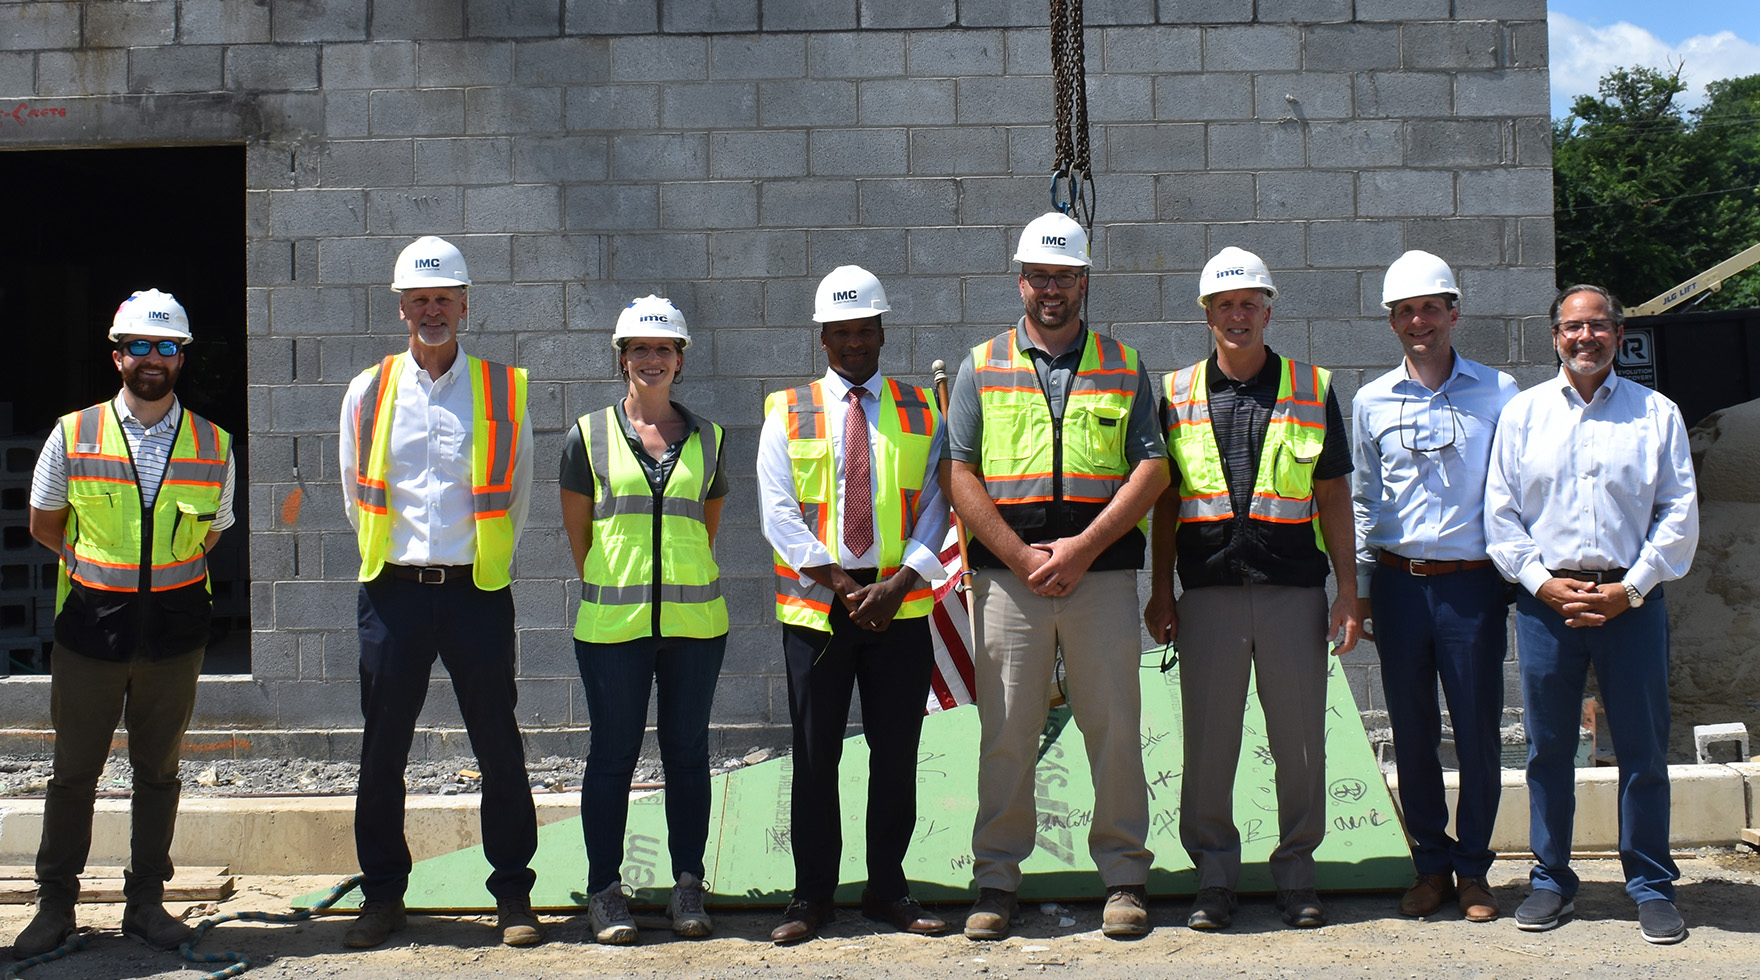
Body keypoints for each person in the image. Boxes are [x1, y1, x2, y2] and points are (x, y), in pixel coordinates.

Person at [946, 213, 1169, 940]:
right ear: (1021, 281)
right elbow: (959, 474)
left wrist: (1081, 550)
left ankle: (1125, 877)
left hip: (1099, 581)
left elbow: (1152, 469)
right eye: (1040, 276)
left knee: (1115, 729)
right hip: (1010, 584)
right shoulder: (982, 365)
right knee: (1007, 734)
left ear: (1084, 281)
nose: (1052, 289)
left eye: (1064, 277)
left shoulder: (1123, 364)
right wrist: (1020, 556)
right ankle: (996, 880)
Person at [14, 290, 235, 958]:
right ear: (118, 356)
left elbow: (212, 533)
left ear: (181, 358)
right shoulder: (73, 434)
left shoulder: (213, 444)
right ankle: (56, 907)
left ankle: (145, 905)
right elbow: (45, 524)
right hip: (91, 630)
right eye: (139, 345)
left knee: (158, 774)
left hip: (174, 636)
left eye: (166, 347)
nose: (152, 358)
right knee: (73, 775)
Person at [1146, 246, 1361, 931]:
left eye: (1248, 304)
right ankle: (1214, 879)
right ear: (1206, 315)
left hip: (1292, 592)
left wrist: (1348, 593)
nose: (1237, 315)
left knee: (1299, 743)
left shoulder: (1311, 386)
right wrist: (1160, 592)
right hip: (1207, 595)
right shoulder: (1176, 393)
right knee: (1209, 745)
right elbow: (1164, 503)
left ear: (1268, 311)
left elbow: (1333, 495)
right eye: (1224, 305)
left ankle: (1297, 875)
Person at [337, 236, 541, 948]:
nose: (432, 311)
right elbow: (354, 492)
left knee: (498, 746)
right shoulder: (367, 390)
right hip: (391, 592)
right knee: (381, 751)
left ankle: (513, 895)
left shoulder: (503, 389)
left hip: (474, 591)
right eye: (420, 299)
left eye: (444, 299)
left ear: (464, 306)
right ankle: (382, 896)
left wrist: (476, 562)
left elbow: (518, 495)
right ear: (401, 308)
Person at [1485, 284, 1699, 944]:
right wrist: (1543, 584)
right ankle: (1551, 879)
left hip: (1631, 605)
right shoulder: (1523, 415)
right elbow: (1501, 514)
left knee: (1642, 749)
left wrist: (1629, 590)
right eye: (1573, 327)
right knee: (1548, 749)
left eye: (1599, 326)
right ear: (1555, 336)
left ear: (1619, 335)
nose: (1586, 337)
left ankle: (1651, 885)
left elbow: (1679, 513)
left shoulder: (1656, 414)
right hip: (1547, 606)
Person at [758, 266, 950, 944]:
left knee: (896, 755)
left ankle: (887, 889)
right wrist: (843, 585)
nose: (853, 342)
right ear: (823, 338)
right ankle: (811, 896)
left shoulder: (921, 410)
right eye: (840, 332)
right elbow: (778, 513)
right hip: (820, 609)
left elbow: (939, 504)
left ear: (881, 332)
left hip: (899, 605)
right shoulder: (787, 410)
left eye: (864, 329)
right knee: (815, 759)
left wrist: (897, 585)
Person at [1351, 251, 1520, 922]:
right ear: (1392, 322)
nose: (1418, 321)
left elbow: (1517, 488)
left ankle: (1474, 871)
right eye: (1405, 312)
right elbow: (1364, 500)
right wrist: (1362, 589)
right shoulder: (1371, 401)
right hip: (1399, 587)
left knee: (1478, 730)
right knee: (1411, 731)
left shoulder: (1499, 392)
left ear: (1453, 312)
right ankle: (1431, 866)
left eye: (1429, 308)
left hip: (1471, 587)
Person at [562, 295, 729, 945]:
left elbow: (705, 530)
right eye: (639, 348)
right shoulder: (588, 436)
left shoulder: (711, 439)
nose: (651, 358)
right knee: (612, 758)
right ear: (621, 358)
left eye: (663, 348)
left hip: (696, 627)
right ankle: (605, 891)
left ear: (680, 359)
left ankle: (688, 884)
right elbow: (580, 537)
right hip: (613, 630)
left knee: (687, 756)